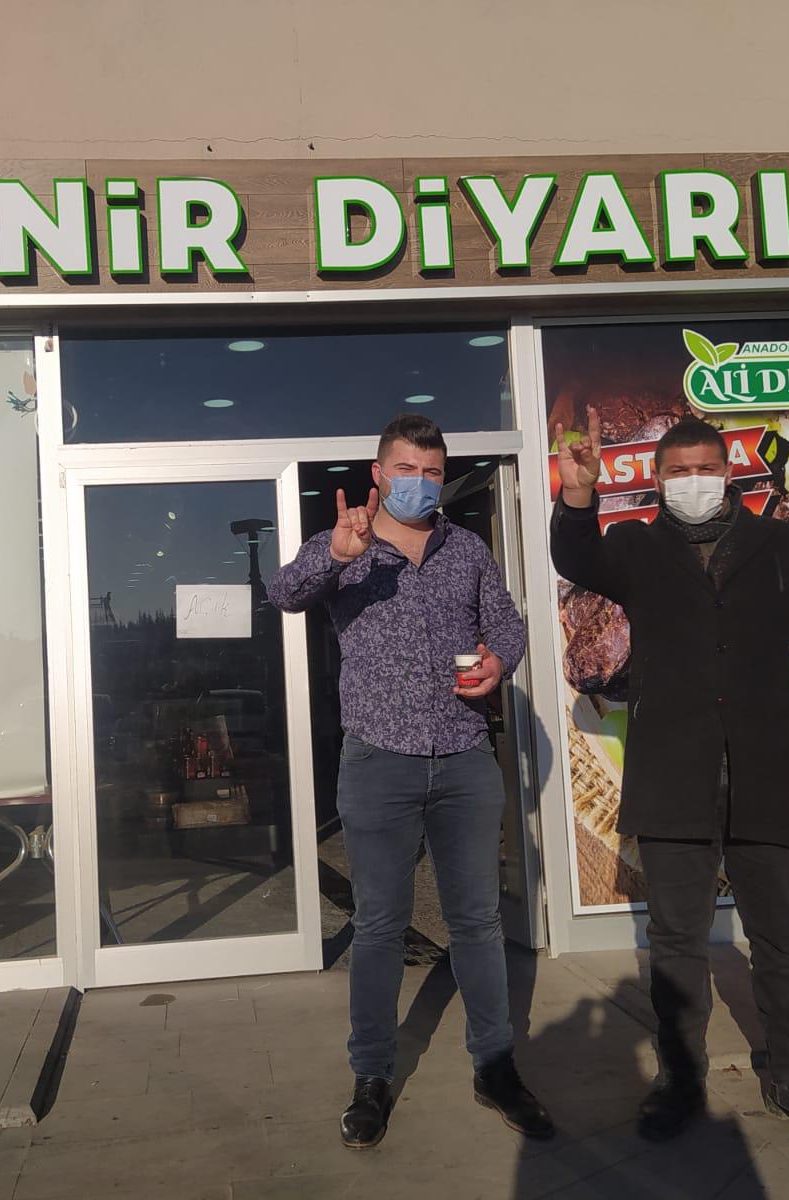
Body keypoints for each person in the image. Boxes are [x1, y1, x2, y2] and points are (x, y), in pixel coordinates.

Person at [548, 410, 789, 1152]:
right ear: (659, 479)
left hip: (767, 770)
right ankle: (681, 1079)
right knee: (676, 941)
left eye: (705, 468)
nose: (693, 481)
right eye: (678, 471)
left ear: (728, 473)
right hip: (673, 774)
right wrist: (579, 494)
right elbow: (577, 557)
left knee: (782, 938)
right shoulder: (634, 548)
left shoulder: (782, 546)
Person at [268, 413, 553, 1149]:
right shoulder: (349, 547)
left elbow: (508, 626)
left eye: (431, 472)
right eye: (405, 469)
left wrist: (499, 663)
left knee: (478, 922)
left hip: (463, 756)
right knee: (379, 926)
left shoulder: (467, 550)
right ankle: (371, 1076)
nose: (419, 483)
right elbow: (285, 593)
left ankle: (495, 1065)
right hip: (378, 760)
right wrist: (334, 554)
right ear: (378, 474)